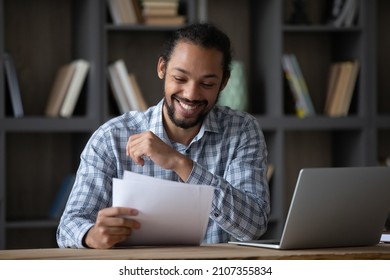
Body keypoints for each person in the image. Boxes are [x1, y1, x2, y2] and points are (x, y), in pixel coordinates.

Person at [57, 23, 270, 249]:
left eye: (207, 84)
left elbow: (253, 226)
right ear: (162, 69)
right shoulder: (111, 137)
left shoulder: (242, 130)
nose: (191, 94)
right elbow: (69, 226)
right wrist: (92, 235)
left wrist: (181, 164)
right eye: (180, 78)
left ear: (224, 82)